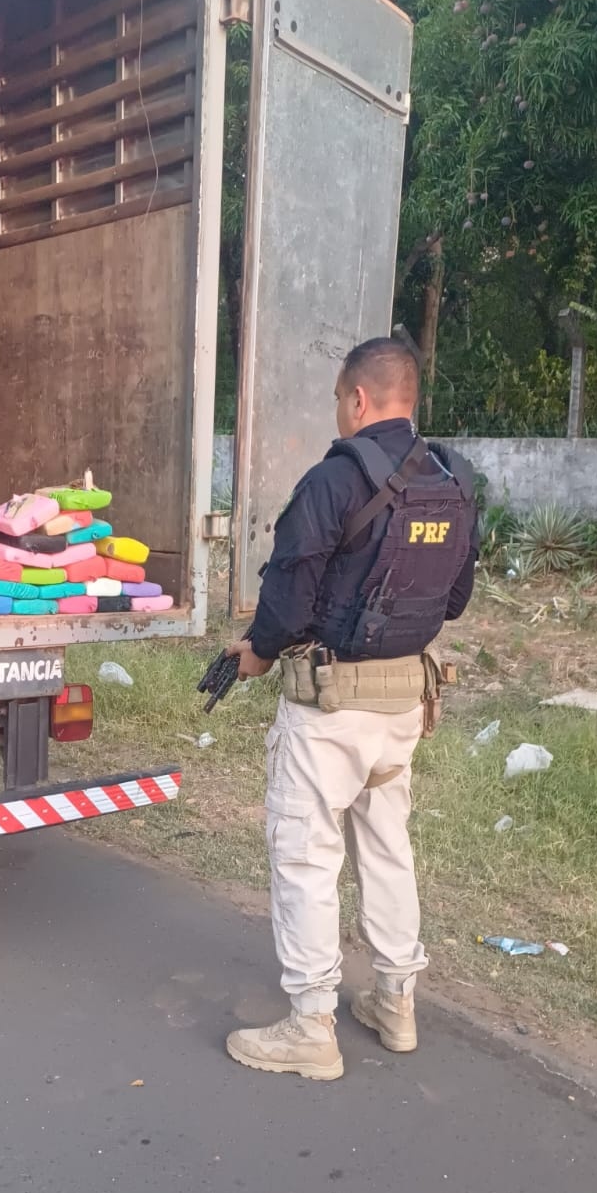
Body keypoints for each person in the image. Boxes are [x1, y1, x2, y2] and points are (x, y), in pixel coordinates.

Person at [225, 337, 478, 1081]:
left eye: (341, 400)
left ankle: (311, 1025)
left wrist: (258, 652)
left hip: (331, 707)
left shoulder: (335, 479)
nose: (340, 414)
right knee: (387, 848)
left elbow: (289, 594)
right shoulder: (454, 479)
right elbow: (455, 598)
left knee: (306, 853)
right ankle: (396, 1003)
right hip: (406, 707)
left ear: (358, 399)